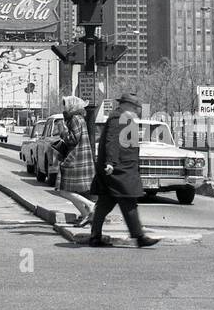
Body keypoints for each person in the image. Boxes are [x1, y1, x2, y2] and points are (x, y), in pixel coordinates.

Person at [88, 92, 160, 247]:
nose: (137, 110)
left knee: (106, 202)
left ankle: (95, 236)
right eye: (135, 107)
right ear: (126, 105)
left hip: (122, 168)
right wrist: (110, 163)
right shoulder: (118, 117)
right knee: (128, 200)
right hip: (119, 169)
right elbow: (111, 141)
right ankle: (139, 237)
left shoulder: (125, 118)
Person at [52, 95, 96, 227]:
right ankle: (85, 215)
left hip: (75, 159)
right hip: (79, 158)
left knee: (64, 190)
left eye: (65, 104)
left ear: (72, 106)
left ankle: (90, 206)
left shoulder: (75, 119)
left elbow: (73, 139)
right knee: (69, 190)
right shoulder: (77, 118)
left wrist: (62, 131)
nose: (63, 107)